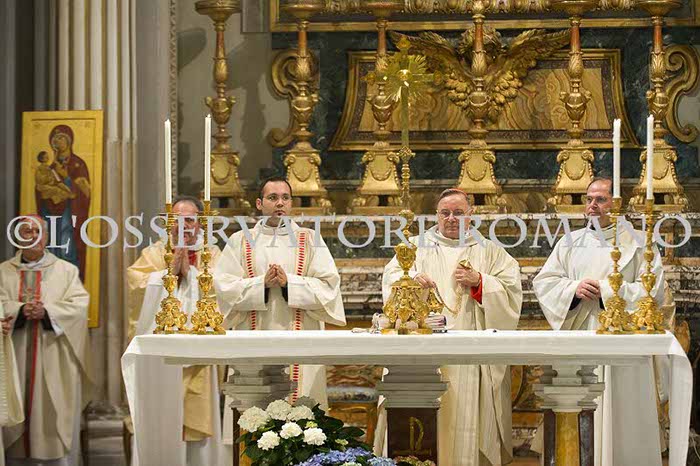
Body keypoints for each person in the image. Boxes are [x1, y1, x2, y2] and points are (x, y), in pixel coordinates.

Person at [380, 188, 522, 466]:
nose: (451, 218)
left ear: (471, 215)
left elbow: (511, 292)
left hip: (469, 352)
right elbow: (391, 278)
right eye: (445, 213)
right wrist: (410, 279)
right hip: (423, 347)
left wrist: (480, 282)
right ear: (436, 215)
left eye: (458, 213)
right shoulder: (415, 248)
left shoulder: (489, 251)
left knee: (465, 420)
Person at [533, 177, 665, 466]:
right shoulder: (570, 242)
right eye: (589, 199)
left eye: (601, 199)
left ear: (617, 203)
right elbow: (545, 282)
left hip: (622, 340)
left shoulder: (640, 242)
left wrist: (606, 290)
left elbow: (653, 292)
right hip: (581, 335)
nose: (592, 205)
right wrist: (573, 289)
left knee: (623, 409)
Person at [214, 176, 346, 457]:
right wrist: (261, 284)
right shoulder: (240, 241)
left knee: (304, 423)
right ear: (259, 203)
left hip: (302, 338)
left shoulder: (310, 240)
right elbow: (224, 289)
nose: (280, 203)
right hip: (253, 338)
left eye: (285, 197)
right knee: (253, 420)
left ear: (291, 203)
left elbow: (329, 287)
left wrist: (289, 285)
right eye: (273, 198)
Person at [128, 195, 224, 466]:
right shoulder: (153, 254)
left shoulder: (212, 254)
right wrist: (168, 274)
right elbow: (135, 284)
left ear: (200, 223)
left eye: (190, 220)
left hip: (200, 351)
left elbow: (225, 289)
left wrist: (191, 275)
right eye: (177, 220)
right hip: (163, 355)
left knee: (199, 417)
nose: (184, 226)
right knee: (163, 415)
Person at [0, 215, 91, 466]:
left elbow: (79, 308)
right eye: (26, 232)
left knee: (50, 412)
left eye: (38, 231)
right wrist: (19, 310)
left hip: (53, 356)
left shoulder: (66, 271)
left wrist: (48, 312)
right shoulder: (3, 272)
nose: (33, 237)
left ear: (47, 237)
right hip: (15, 355)